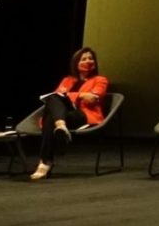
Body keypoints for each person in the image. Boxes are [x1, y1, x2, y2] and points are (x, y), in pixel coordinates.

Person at [30, 46, 109, 180]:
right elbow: (57, 97)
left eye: (90, 58)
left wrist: (72, 96)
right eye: (83, 59)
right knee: (53, 100)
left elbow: (92, 99)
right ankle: (61, 127)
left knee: (51, 114)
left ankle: (44, 163)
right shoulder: (68, 80)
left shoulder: (100, 80)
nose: (88, 61)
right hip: (64, 114)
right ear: (76, 63)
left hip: (84, 114)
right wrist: (80, 95)